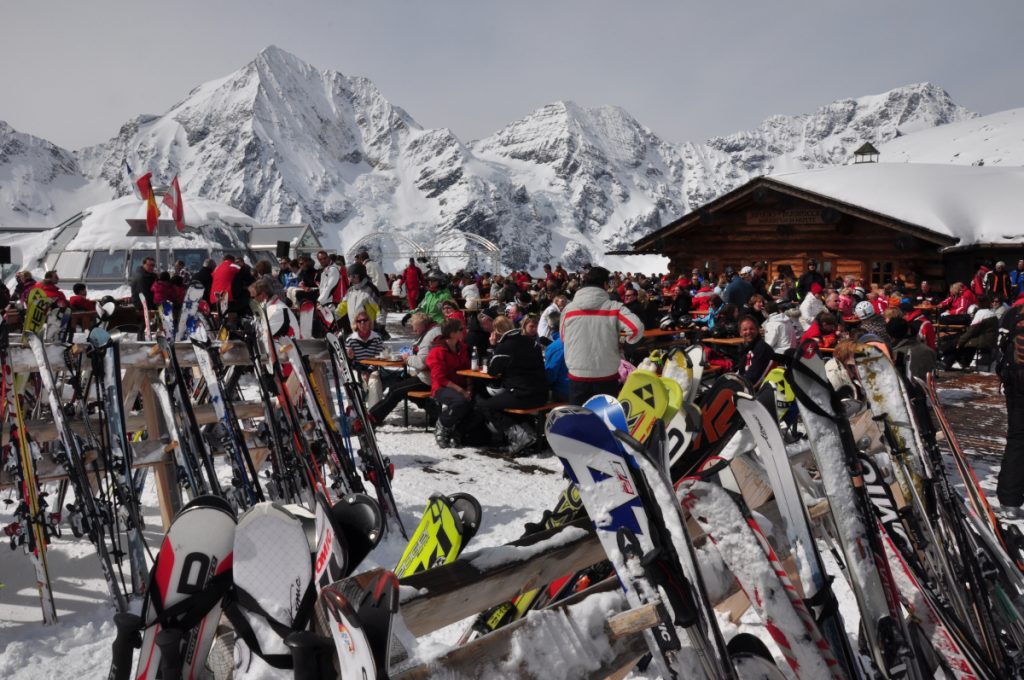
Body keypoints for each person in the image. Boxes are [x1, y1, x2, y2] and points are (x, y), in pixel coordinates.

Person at [560, 266, 644, 405]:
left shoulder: (568, 310)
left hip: (577, 375)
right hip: (606, 375)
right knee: (605, 417)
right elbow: (636, 328)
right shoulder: (614, 307)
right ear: (605, 284)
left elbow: (564, 338)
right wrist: (624, 343)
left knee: (580, 416)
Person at [477, 316, 549, 453]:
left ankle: (520, 437)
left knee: (486, 405)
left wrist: (493, 346)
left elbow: (493, 371)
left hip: (522, 394)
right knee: (503, 402)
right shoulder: (530, 342)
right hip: (541, 393)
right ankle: (527, 433)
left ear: (496, 332)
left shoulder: (505, 346)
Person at [363, 313, 440, 427]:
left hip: (429, 378)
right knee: (400, 380)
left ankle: (373, 417)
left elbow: (421, 363)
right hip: (433, 375)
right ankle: (432, 408)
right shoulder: (433, 331)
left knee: (395, 390)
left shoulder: (429, 337)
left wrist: (408, 358)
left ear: (422, 324)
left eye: (415, 326)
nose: (413, 330)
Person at [426, 318, 474, 448]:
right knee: (460, 401)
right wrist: (462, 391)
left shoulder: (462, 348)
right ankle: (443, 424)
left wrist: (469, 388)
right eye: (461, 329)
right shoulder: (437, 351)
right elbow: (440, 378)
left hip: (461, 385)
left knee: (479, 402)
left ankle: (458, 431)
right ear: (452, 334)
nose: (464, 331)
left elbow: (468, 369)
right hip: (442, 387)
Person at [997, 303, 1024, 514]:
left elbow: (1001, 345)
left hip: (1015, 379)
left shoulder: (1013, 312)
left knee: (1017, 438)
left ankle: (1010, 500)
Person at [888, 317, 935, 381]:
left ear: (889, 336)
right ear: (909, 331)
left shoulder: (894, 355)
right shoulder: (928, 351)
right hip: (924, 386)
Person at [337, 262, 382, 330]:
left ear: (361, 276)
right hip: (355, 328)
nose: (351, 279)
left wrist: (380, 326)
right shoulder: (350, 291)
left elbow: (380, 309)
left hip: (369, 330)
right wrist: (334, 315)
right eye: (349, 276)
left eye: (354, 276)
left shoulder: (369, 290)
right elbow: (343, 306)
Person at [736, 316, 774, 386]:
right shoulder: (747, 348)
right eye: (745, 329)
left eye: (751, 329)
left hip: (754, 389)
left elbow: (753, 378)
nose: (748, 332)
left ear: (757, 330)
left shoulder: (762, 348)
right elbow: (741, 371)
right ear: (740, 333)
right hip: (744, 383)